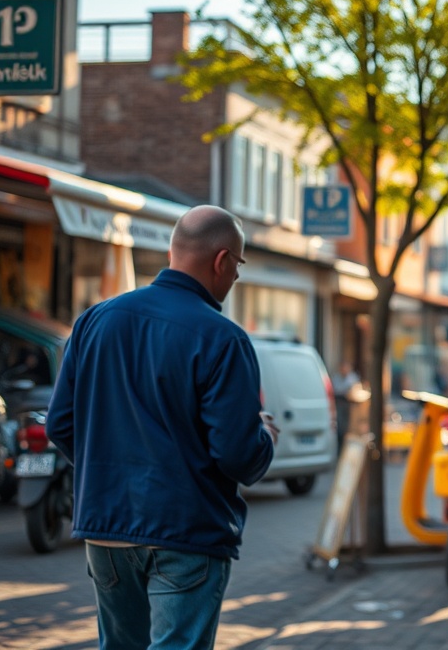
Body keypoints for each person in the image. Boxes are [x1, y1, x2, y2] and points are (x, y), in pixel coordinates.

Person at [46, 205, 279, 650]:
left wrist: (110, 469)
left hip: (105, 526)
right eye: (239, 266)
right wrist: (265, 437)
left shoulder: (95, 321)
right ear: (222, 260)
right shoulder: (222, 339)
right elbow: (237, 455)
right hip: (186, 530)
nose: (236, 278)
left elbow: (61, 424)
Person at [332, 360, 361, 449]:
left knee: (350, 425)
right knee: (340, 425)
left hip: (351, 404)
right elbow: (336, 390)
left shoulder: (353, 377)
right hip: (339, 403)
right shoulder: (336, 378)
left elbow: (355, 389)